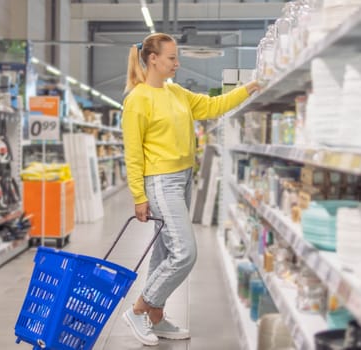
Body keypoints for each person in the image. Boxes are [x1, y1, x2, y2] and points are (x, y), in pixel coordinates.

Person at [121, 32, 260, 346]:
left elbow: (213, 106)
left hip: (183, 178)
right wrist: (138, 196)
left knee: (165, 252)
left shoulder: (177, 93)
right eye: (171, 58)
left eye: (176, 57)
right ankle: (139, 309)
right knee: (185, 252)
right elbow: (132, 152)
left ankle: (156, 318)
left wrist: (250, 87)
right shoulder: (138, 99)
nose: (177, 63)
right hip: (160, 182)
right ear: (152, 59)